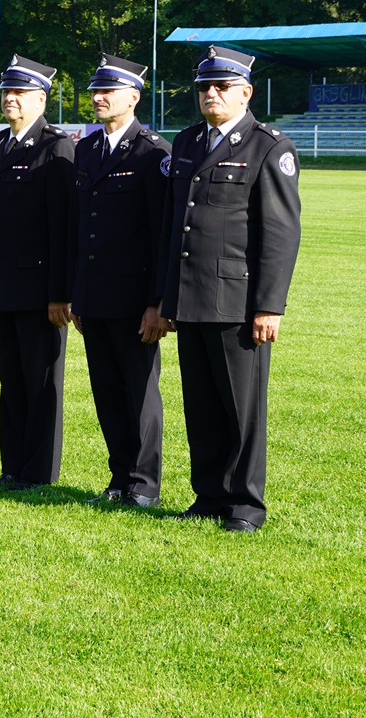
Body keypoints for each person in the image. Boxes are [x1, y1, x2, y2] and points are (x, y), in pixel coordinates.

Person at [160, 46, 302, 533]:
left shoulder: (267, 146)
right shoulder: (185, 142)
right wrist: (165, 297)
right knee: (200, 405)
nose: (211, 94)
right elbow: (173, 226)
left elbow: (280, 234)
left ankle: (245, 504)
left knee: (242, 410)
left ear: (246, 91)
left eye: (222, 86)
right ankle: (209, 494)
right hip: (189, 295)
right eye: (204, 87)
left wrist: (269, 306)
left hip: (237, 303)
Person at [71, 54, 170, 509]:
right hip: (94, 295)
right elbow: (81, 228)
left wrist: (156, 303)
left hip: (134, 300)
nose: (98, 97)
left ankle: (144, 485)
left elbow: (161, 234)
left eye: (108, 90)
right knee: (107, 392)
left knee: (140, 394)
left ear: (134, 96)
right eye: (95, 90)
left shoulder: (154, 153)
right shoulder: (86, 150)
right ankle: (119, 477)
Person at [0, 56, 75, 489]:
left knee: (40, 382)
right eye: (5, 92)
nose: (10, 99)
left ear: (41, 98)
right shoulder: (0, 144)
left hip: (38, 288)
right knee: (11, 379)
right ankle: (11, 466)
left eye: (19, 93)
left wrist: (59, 292)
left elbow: (62, 226)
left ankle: (38, 472)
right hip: (3, 283)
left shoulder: (55, 146)